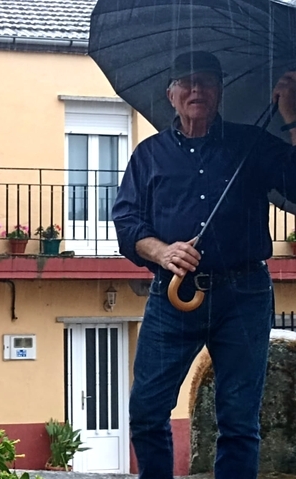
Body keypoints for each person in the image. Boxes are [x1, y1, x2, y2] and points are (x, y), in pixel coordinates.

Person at [113, 50, 296, 478]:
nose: (196, 89)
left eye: (207, 81)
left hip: (245, 294)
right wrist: (162, 251)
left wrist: (290, 117)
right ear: (171, 94)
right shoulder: (149, 155)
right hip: (173, 295)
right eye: (187, 82)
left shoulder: (250, 143)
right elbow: (126, 221)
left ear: (219, 92)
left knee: (238, 420)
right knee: (146, 409)